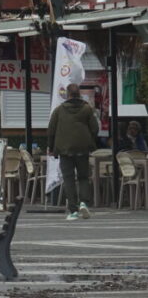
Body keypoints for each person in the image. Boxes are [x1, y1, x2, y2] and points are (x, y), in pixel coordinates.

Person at [47, 83, 98, 221]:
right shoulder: (87, 109)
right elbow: (95, 128)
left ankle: (73, 211)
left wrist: (51, 148)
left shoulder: (59, 110)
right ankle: (84, 203)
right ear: (79, 94)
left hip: (64, 150)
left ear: (67, 94)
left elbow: (51, 130)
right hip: (83, 149)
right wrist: (89, 141)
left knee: (68, 179)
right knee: (83, 177)